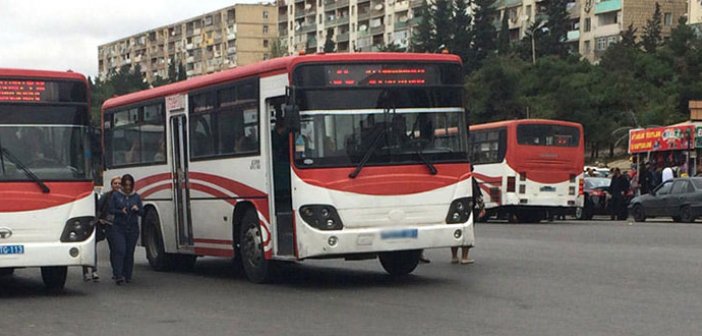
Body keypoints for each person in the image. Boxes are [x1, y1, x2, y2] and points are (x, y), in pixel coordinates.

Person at [107, 174, 143, 285]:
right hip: (118, 227)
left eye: (130, 185)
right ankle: (118, 275)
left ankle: (128, 275)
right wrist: (120, 211)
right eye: (126, 185)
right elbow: (111, 209)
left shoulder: (136, 197)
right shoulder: (116, 196)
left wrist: (137, 209)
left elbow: (142, 212)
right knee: (120, 250)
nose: (127, 188)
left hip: (132, 228)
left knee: (129, 252)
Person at [84, 176, 122, 282]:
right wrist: (98, 220)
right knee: (92, 248)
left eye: (119, 183)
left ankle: (117, 272)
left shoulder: (124, 196)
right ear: (111, 185)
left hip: (116, 226)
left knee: (116, 249)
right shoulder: (106, 196)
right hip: (103, 224)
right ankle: (90, 271)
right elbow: (99, 209)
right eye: (115, 183)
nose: (117, 185)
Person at [451, 169, 482, 265]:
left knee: (455, 232)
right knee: (467, 233)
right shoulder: (470, 180)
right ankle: (465, 257)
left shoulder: (455, 179)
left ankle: (454, 256)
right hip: (468, 209)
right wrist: (482, 208)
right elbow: (477, 195)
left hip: (455, 209)